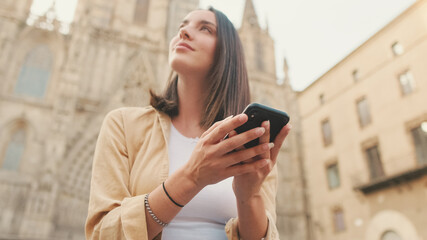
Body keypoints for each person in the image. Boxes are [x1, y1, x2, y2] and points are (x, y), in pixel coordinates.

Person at [85, 7, 291, 240]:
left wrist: (249, 196)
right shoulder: (122, 125)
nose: (184, 32)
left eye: (205, 28)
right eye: (182, 26)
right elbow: (102, 234)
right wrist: (193, 177)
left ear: (228, 53)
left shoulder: (251, 142)